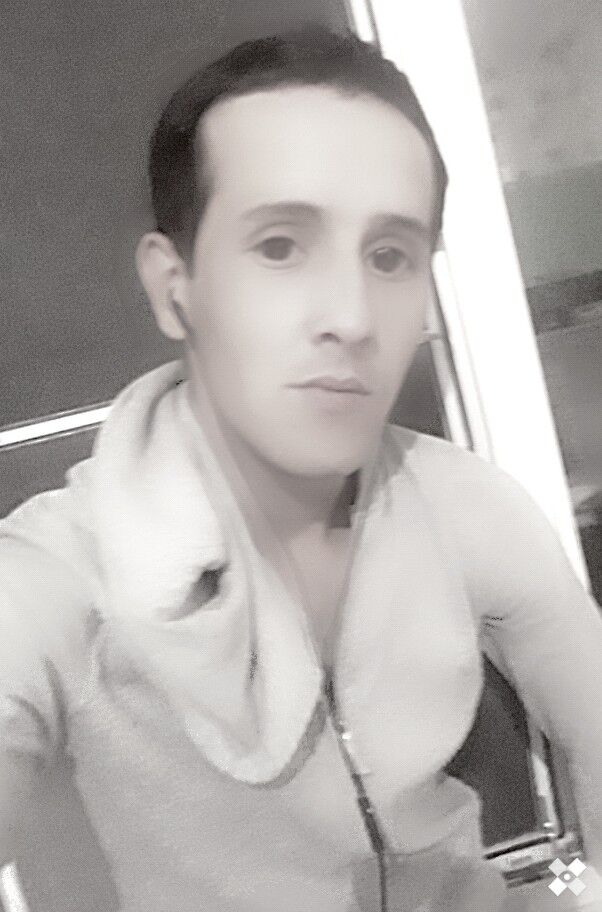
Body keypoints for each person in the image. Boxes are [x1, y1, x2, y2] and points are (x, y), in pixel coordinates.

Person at [1, 25, 601, 912]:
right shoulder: (54, 581)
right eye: (280, 246)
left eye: (390, 256)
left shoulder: (466, 508)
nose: (351, 317)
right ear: (175, 288)